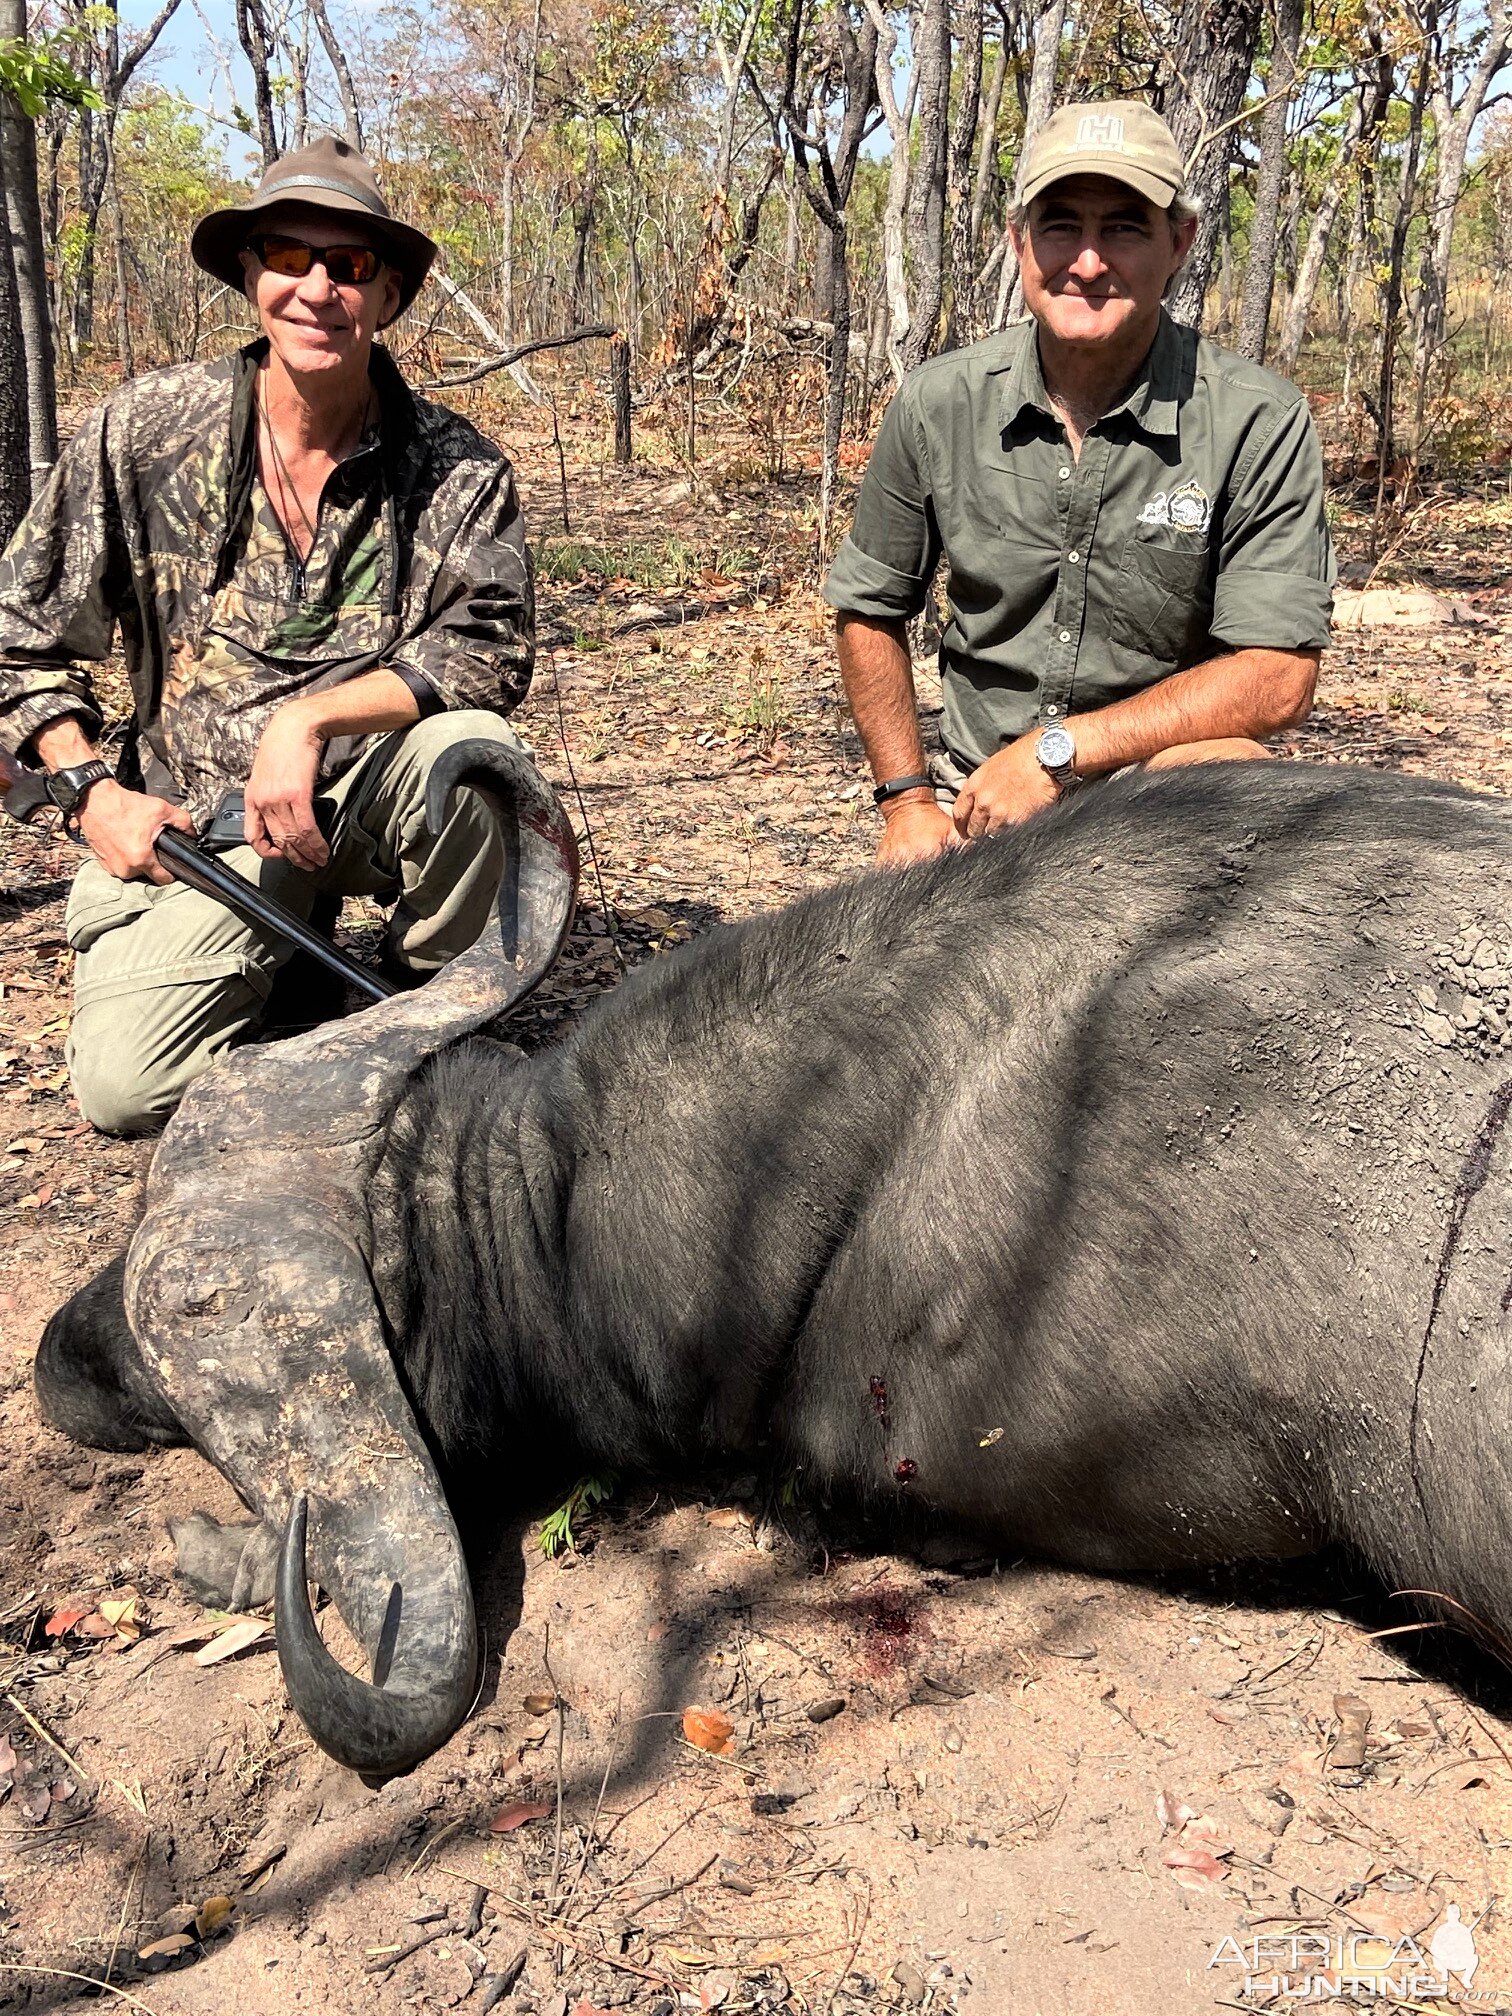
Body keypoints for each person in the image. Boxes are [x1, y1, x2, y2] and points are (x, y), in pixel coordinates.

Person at [0, 138, 538, 1133]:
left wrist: (311, 719)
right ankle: (272, 969)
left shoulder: (458, 464)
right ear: (250, 275)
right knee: (126, 1090)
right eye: (289, 257)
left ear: (388, 295)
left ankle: (427, 999)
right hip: (203, 834)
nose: (318, 288)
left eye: (351, 265)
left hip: (363, 799)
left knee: (482, 759)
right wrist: (88, 795)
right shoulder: (146, 430)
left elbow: (487, 650)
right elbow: (16, 639)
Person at [824, 99, 1335, 868]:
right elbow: (869, 606)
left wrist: (1056, 754)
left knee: (1239, 783)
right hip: (981, 800)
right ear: (1019, 241)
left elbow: (1277, 678)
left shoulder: (1255, 419)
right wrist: (905, 801)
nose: (1088, 262)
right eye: (1062, 225)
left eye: (1124, 228)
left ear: (1180, 241)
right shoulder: (939, 402)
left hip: (1161, 791)